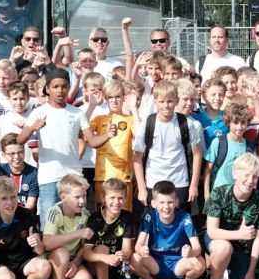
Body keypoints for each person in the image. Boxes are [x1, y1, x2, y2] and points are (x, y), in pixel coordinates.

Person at [17, 69, 94, 222]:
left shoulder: (77, 113)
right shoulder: (39, 112)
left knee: (76, 222)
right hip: (49, 177)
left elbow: (93, 141)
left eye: (64, 86)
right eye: (55, 86)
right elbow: (19, 140)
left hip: (74, 177)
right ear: (47, 88)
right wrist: (32, 128)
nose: (60, 90)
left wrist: (108, 135)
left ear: (69, 87)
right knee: (49, 223)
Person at [203, 154, 259, 279]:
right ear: (235, 173)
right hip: (217, 243)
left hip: (242, 250)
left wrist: (251, 271)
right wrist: (240, 234)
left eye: (255, 177)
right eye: (246, 175)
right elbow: (212, 231)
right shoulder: (219, 193)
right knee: (224, 247)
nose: (250, 181)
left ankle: (227, 275)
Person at [130, 180, 205, 279]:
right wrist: (141, 249)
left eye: (170, 202)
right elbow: (139, 244)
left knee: (200, 263)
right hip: (156, 264)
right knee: (134, 259)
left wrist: (191, 252)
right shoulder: (149, 216)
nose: (166, 206)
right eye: (162, 202)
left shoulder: (185, 217)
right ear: (153, 203)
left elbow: (197, 247)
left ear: (176, 202)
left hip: (178, 264)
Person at [132, 80, 202, 211]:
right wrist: (141, 188)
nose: (166, 105)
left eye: (170, 101)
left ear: (176, 101)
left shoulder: (187, 124)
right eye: (161, 101)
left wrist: (193, 185)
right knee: (155, 221)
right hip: (153, 183)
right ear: (155, 102)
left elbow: (197, 154)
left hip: (180, 182)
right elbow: (137, 158)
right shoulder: (147, 124)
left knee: (179, 221)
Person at [43, 172, 94, 279]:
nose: (82, 201)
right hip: (54, 260)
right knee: (62, 253)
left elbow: (84, 246)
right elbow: (47, 243)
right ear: (63, 197)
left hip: (73, 259)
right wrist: (77, 233)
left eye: (84, 196)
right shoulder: (55, 212)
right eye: (77, 197)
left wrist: (76, 263)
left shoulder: (85, 215)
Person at [83, 178, 137, 279]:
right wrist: (104, 258)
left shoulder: (127, 217)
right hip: (94, 265)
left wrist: (123, 254)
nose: (116, 202)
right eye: (112, 198)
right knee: (103, 249)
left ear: (126, 198)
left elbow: (127, 249)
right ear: (103, 197)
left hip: (114, 266)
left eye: (120, 198)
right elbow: (86, 253)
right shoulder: (94, 218)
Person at [88, 80, 137, 211]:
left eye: (117, 96)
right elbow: (82, 130)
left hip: (123, 177)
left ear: (124, 98)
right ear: (106, 99)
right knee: (103, 215)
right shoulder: (99, 119)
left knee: (124, 216)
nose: (114, 101)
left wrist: (134, 109)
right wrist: (92, 105)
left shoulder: (130, 119)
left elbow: (139, 135)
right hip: (102, 176)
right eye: (110, 97)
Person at [203, 102, 252, 196]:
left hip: (240, 196)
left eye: (243, 123)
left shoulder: (249, 146)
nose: (239, 127)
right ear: (228, 123)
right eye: (235, 123)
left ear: (248, 123)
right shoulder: (218, 142)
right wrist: (206, 195)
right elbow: (208, 169)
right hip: (218, 194)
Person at [0, 134, 39, 211]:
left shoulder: (33, 173)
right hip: (5, 214)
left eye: (20, 152)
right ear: (3, 155)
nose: (17, 156)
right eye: (12, 153)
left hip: (25, 215)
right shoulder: (1, 169)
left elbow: (30, 205)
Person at [192, 78, 228, 151]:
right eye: (213, 95)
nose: (217, 98)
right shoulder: (195, 119)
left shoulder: (229, 118)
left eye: (221, 95)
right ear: (204, 97)